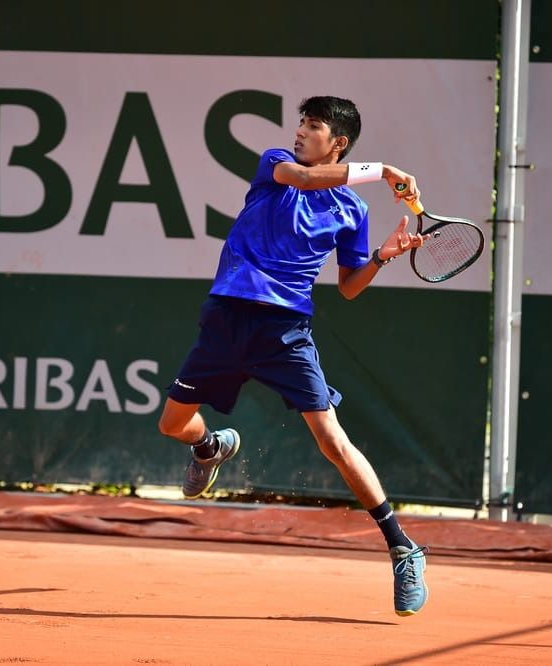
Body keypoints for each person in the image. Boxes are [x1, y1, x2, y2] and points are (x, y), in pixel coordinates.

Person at [157, 95, 429, 616]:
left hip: (284, 332)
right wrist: (385, 169)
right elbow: (305, 180)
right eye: (300, 124)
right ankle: (211, 445)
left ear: (338, 143)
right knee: (172, 426)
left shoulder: (354, 210)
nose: (300, 133)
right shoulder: (275, 165)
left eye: (313, 127)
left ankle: (402, 546)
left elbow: (349, 288)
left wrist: (381, 257)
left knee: (333, 441)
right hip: (226, 318)